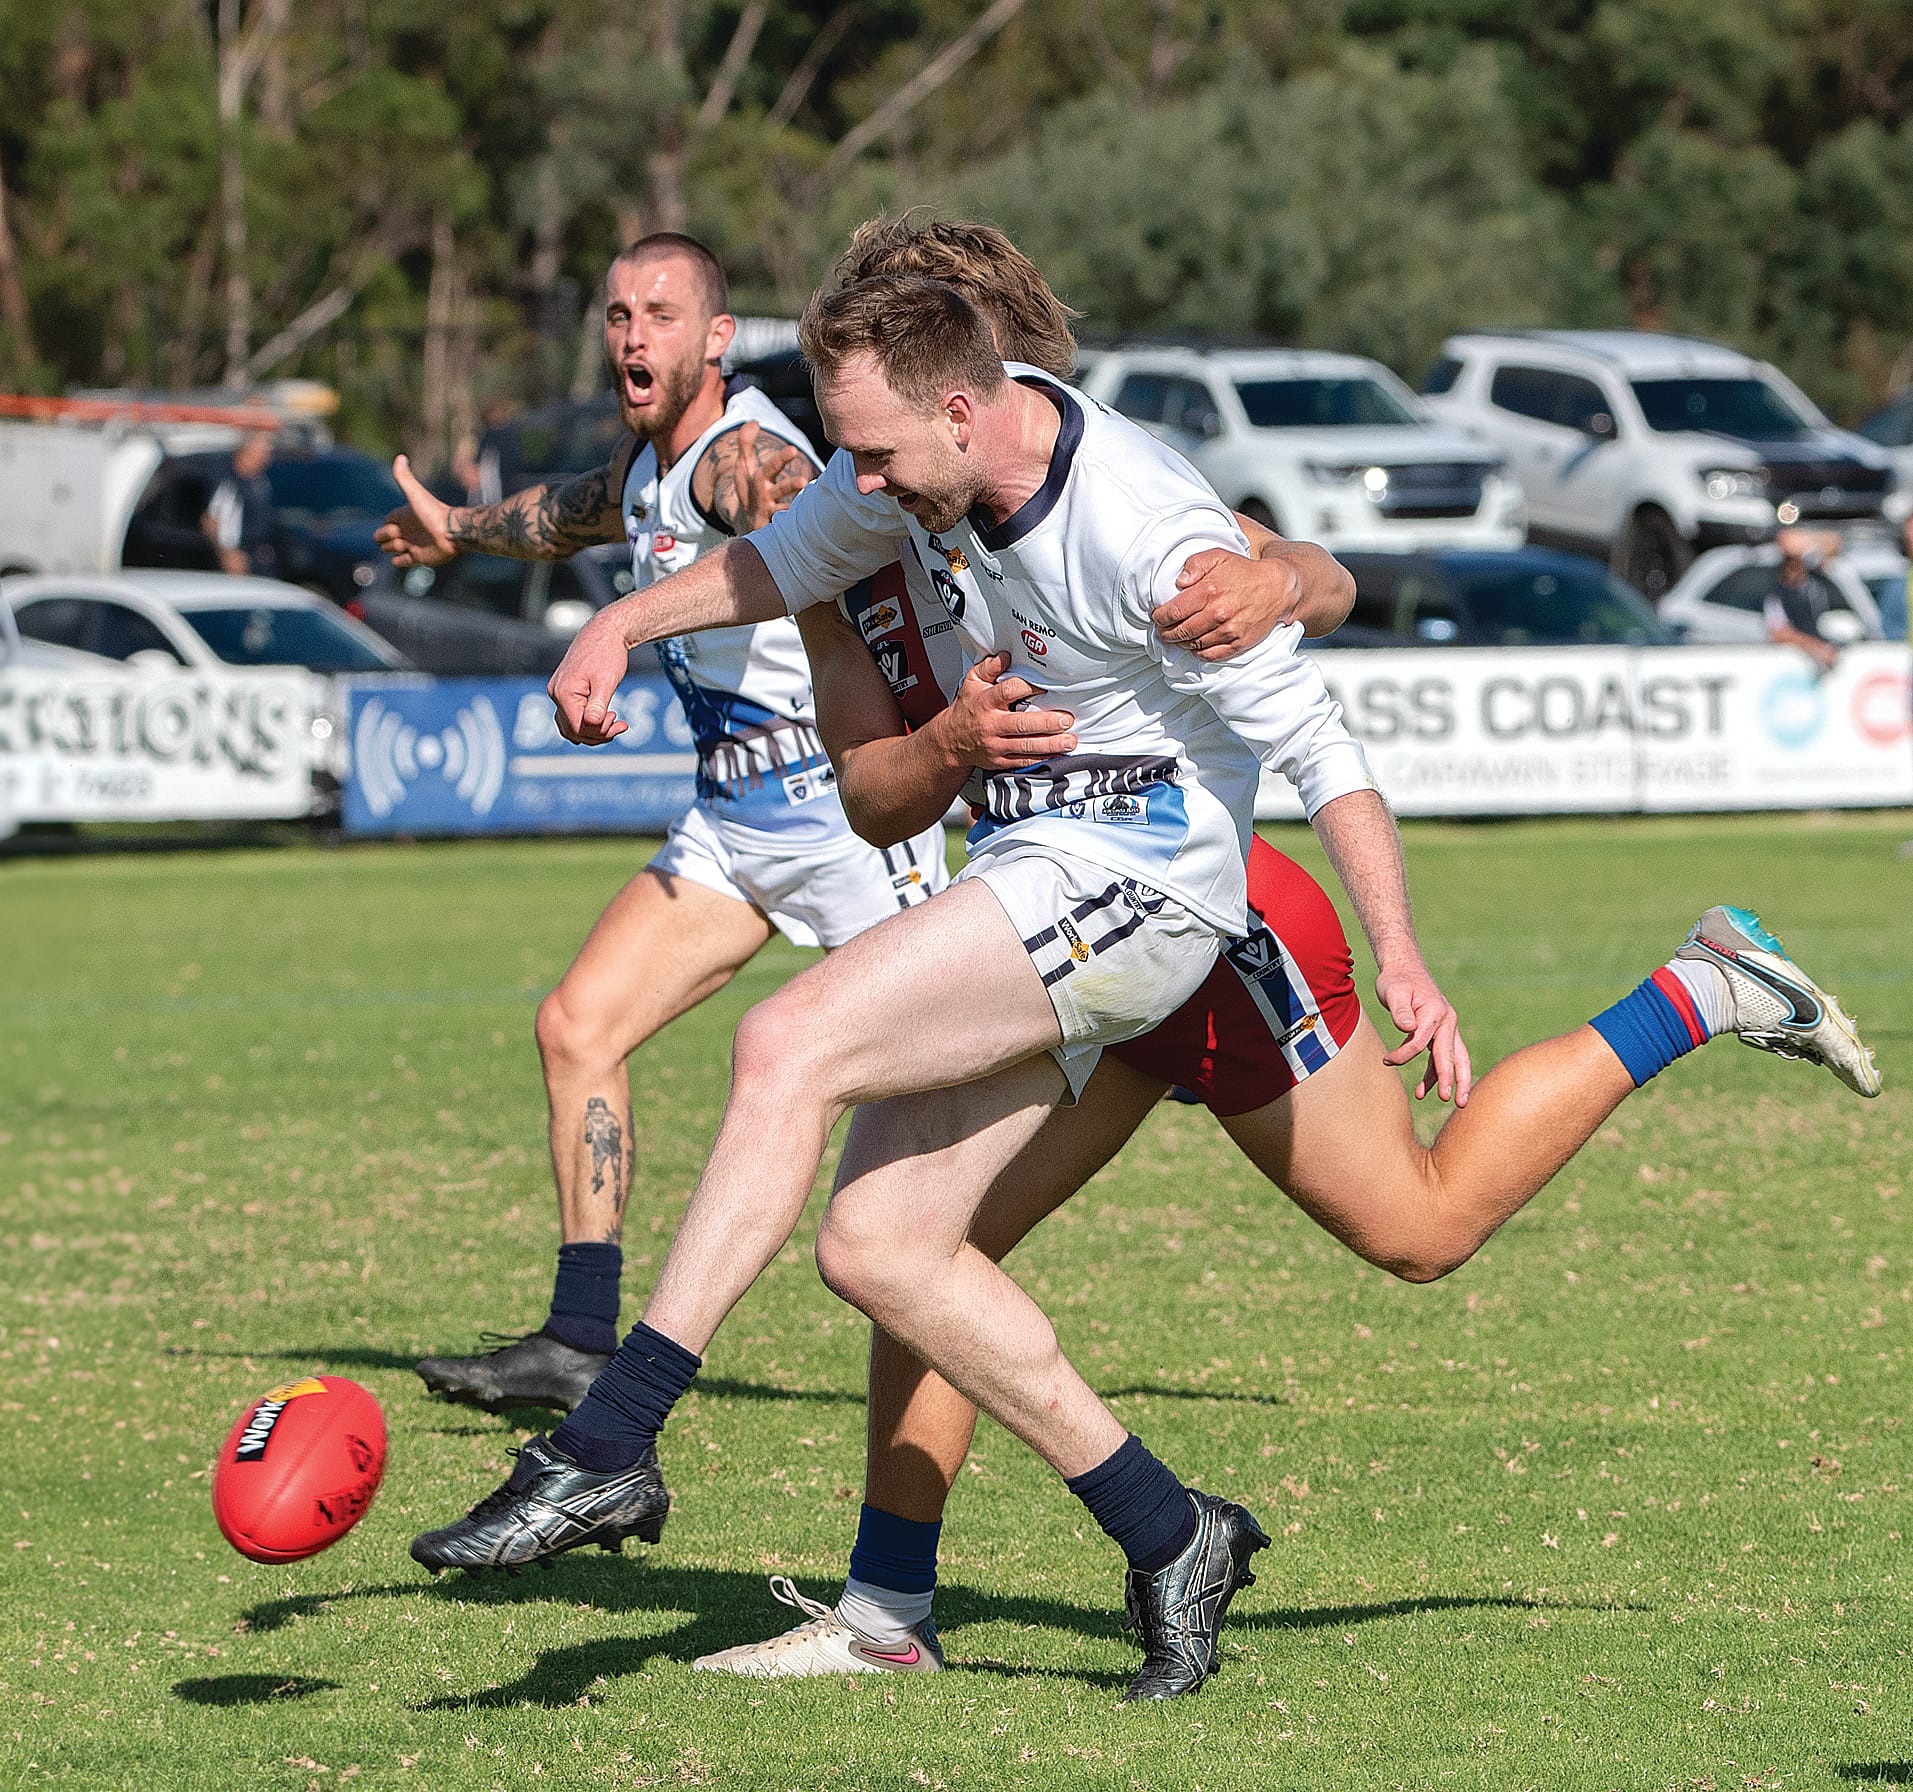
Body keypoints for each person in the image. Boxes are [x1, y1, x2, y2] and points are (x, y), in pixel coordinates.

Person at [407, 259, 1876, 1698]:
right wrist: (640, 626)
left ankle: (1701, 989)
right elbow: (868, 783)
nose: (826, 475)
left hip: (1186, 915)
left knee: (1413, 1226)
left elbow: (1307, 653)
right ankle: (989, 1582)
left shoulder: (1110, 512)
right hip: (1036, 908)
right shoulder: (874, 512)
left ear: (968, 396)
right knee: (892, 1254)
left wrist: (1297, 593)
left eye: (854, 447)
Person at [375, 232, 1339, 1420]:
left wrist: (1285, 578)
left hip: (873, 831)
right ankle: (584, 1338)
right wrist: (460, 533)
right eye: (616, 313)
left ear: (719, 340)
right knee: (582, 1025)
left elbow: (809, 519)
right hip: (745, 820)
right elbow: (570, 516)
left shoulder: (763, 463)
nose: (633, 336)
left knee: (895, 1152)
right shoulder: (658, 472)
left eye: (661, 313)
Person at [1762, 527, 1851, 670]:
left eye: (1797, 560)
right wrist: (1816, 647)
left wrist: (1809, 540)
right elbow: (1779, 632)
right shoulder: (1776, 594)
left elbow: (1834, 543)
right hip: (1794, 663)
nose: (1793, 568)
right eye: (1790, 561)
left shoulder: (1815, 578)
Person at [202, 430, 277, 578]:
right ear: (245, 452)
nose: (267, 458)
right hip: (234, 559)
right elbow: (210, 521)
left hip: (256, 557)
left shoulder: (261, 483)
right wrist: (227, 554)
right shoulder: (229, 483)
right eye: (262, 452)